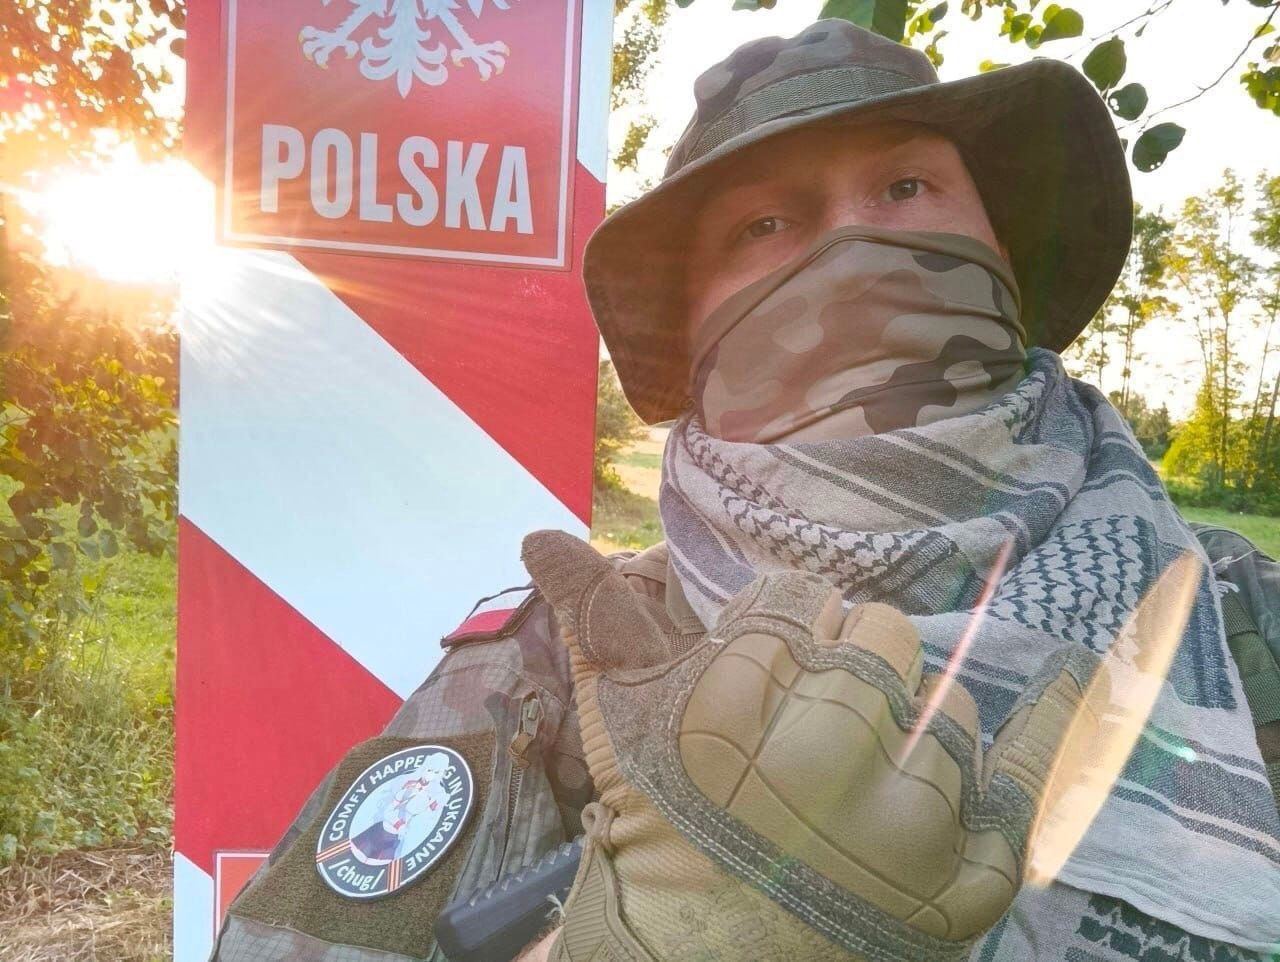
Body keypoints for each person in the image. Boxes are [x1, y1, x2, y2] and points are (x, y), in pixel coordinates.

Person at [211, 19, 1280, 962]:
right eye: (764, 226)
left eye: (905, 187)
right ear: (694, 330)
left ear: (1002, 246)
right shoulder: (560, 666)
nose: (854, 244)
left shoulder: (1240, 624)